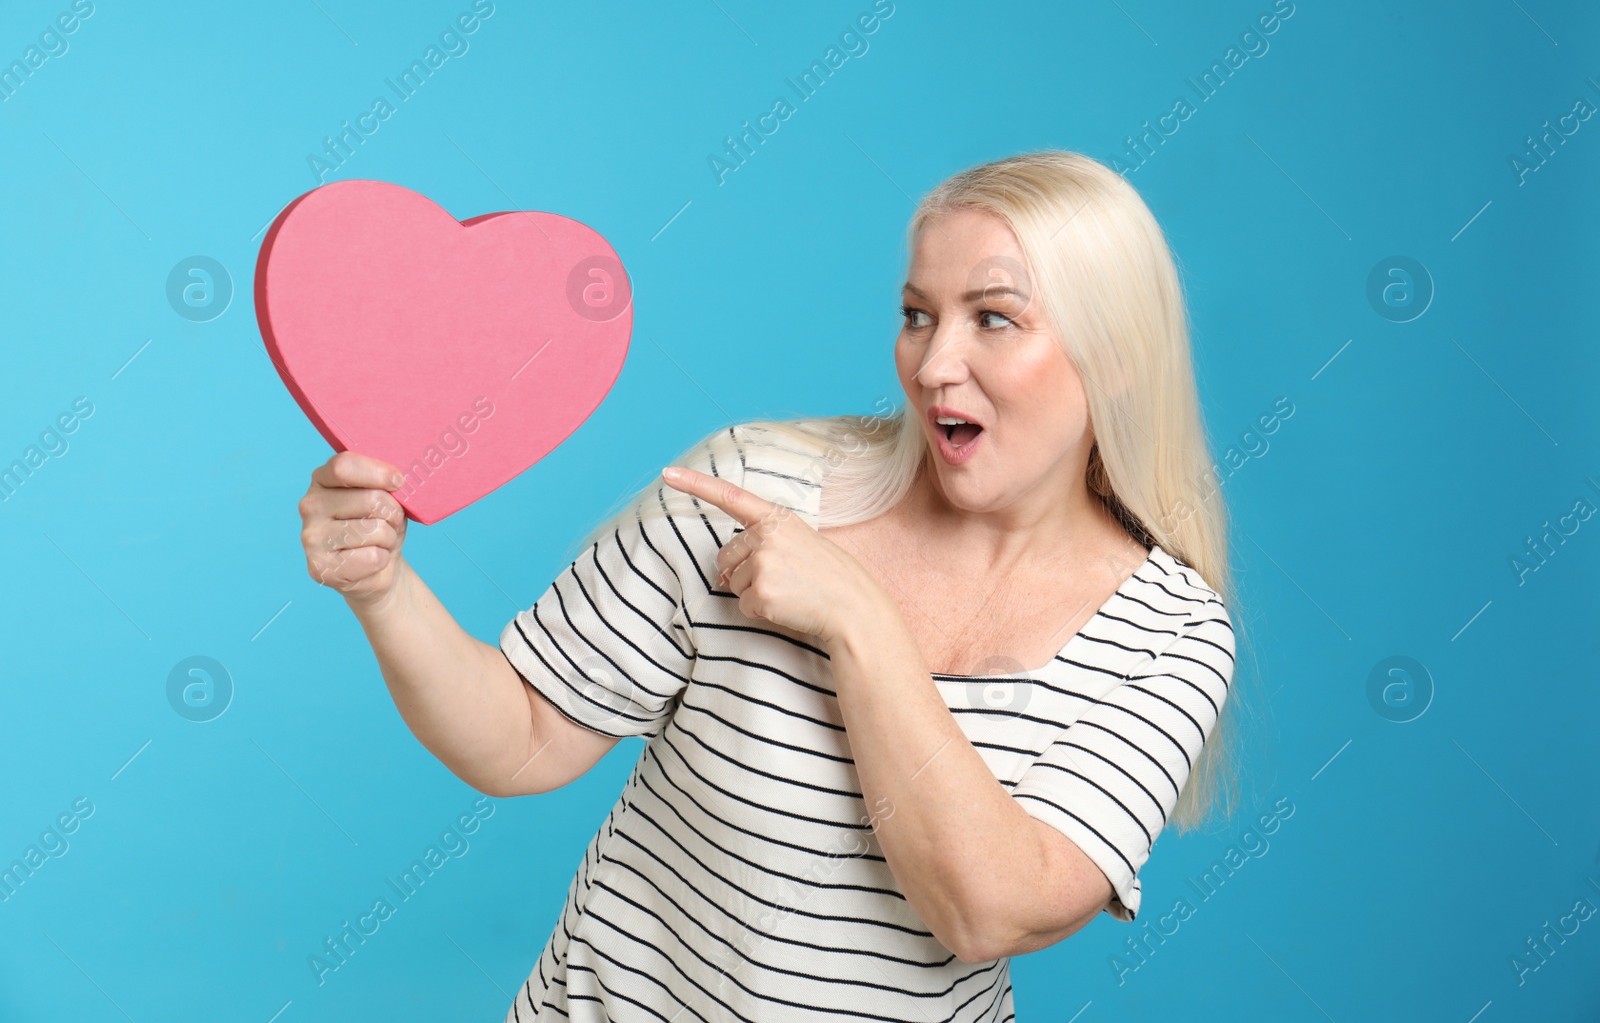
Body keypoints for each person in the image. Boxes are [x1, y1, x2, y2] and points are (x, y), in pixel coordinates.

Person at [296, 149, 1243, 1022]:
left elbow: (988, 908)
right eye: (918, 314)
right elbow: (522, 740)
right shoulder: (753, 486)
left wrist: (860, 622)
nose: (934, 363)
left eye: (993, 317)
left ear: (1114, 355)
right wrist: (381, 588)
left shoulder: (1170, 636)